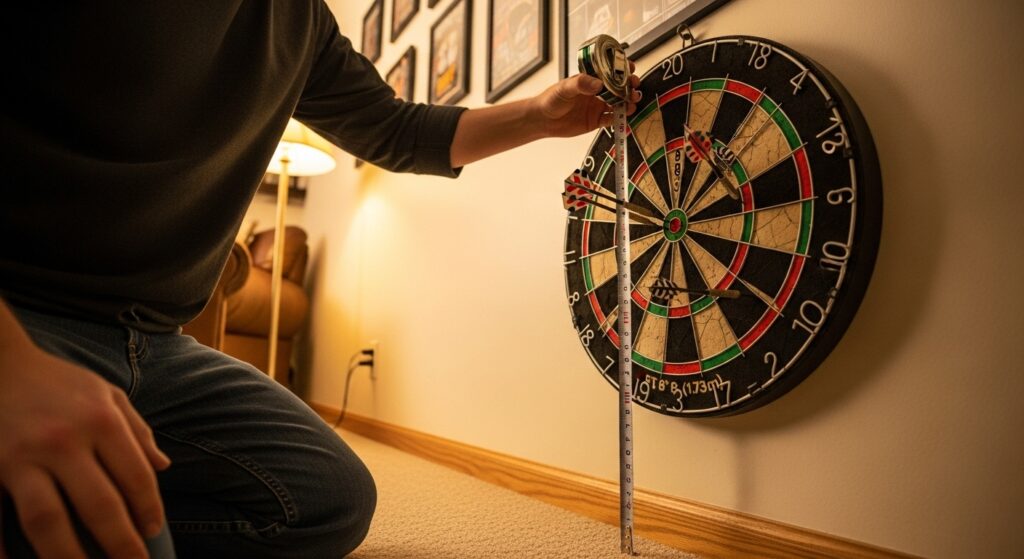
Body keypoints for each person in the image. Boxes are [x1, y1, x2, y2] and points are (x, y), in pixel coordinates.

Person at [0, 2, 639, 558]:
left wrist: (538, 115)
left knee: (326, 502)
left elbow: (397, 130)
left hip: (157, 343)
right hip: (22, 315)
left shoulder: (299, 21)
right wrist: (14, 369)